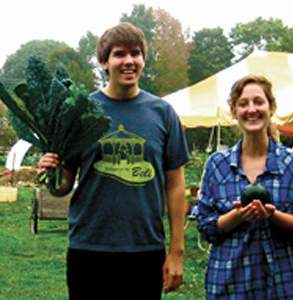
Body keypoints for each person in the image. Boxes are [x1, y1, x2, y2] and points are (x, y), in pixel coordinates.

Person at [37, 22, 190, 299]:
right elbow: (63, 185)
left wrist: (176, 251)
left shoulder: (163, 113)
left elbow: (176, 185)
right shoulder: (81, 111)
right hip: (89, 247)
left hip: (145, 249)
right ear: (104, 63)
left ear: (144, 60)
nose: (129, 61)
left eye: (136, 53)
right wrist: (52, 173)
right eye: (119, 54)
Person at [194, 75, 293, 299]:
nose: (252, 109)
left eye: (259, 101)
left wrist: (272, 215)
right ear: (234, 111)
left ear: (271, 107)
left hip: (281, 284)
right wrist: (239, 215)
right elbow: (207, 227)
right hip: (229, 283)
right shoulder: (217, 164)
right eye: (243, 104)